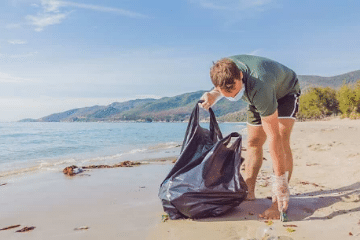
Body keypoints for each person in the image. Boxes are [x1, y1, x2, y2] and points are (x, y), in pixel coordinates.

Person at [200, 54, 301, 220]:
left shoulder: (260, 85)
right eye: (227, 94)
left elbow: (273, 136)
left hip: (285, 93)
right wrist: (214, 95)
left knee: (281, 139)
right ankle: (249, 192)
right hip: (255, 96)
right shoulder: (225, 71)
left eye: (233, 92)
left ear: (240, 75)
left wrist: (279, 181)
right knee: (253, 141)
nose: (232, 97)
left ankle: (278, 202)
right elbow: (223, 87)